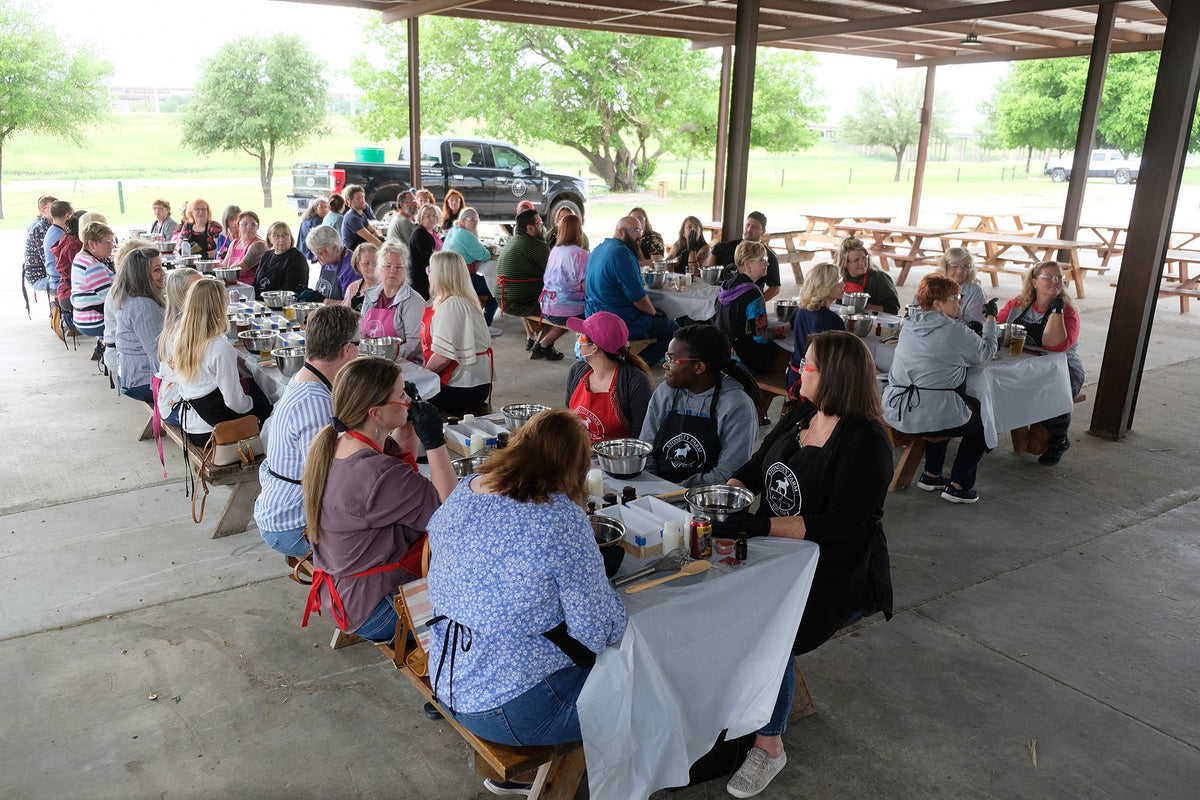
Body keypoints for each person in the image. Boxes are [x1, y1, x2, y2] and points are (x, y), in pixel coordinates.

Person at [721, 330, 894, 798]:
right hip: (778, 551)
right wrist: (727, 497)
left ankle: (769, 743)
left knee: (769, 631)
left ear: (834, 375)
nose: (797, 368)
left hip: (831, 571)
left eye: (808, 364)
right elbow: (758, 465)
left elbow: (843, 526)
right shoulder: (803, 410)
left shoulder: (866, 441)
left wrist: (759, 528)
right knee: (713, 604)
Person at [425, 408, 626, 762]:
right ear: (575, 466)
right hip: (512, 710)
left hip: (448, 680)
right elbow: (595, 630)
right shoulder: (561, 519)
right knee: (650, 688)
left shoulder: (466, 488)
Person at [301, 357, 456, 642]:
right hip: (377, 609)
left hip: (343, 595)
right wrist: (435, 442)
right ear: (375, 413)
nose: (408, 400)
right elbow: (450, 512)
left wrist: (406, 423)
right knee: (480, 606)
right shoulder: (378, 476)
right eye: (401, 395)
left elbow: (400, 466)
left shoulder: (337, 442)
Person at [254, 305, 362, 559]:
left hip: (280, 508)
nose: (360, 351)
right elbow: (327, 477)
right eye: (358, 344)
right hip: (292, 524)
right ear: (346, 350)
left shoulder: (304, 378)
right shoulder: (315, 401)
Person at [883, 273, 998, 504]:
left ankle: (932, 475)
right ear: (937, 305)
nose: (961, 302)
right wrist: (991, 321)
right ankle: (959, 485)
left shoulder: (909, 325)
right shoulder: (955, 331)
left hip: (896, 407)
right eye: (955, 298)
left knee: (954, 403)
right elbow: (986, 353)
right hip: (929, 412)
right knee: (985, 419)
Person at [641, 325, 761, 486]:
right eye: (666, 357)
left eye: (672, 359)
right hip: (656, 490)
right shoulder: (666, 392)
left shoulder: (736, 405)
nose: (665, 365)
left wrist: (675, 493)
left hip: (706, 501)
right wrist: (654, 487)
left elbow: (728, 473)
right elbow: (645, 450)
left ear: (699, 367)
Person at [997, 261, 1084, 466]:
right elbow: (999, 328)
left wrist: (1056, 313)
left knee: (1052, 390)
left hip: (1063, 368)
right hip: (1023, 365)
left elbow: (1055, 346)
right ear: (1034, 282)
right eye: (1049, 277)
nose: (1055, 281)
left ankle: (1059, 440)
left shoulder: (1068, 312)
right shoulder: (1018, 304)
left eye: (1059, 277)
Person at [174, 279, 273, 448]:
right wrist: (253, 404)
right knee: (272, 410)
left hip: (191, 425)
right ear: (218, 308)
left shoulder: (183, 337)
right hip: (214, 432)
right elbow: (235, 402)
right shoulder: (219, 347)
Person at [584, 215, 678, 366]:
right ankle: (635, 366)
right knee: (674, 330)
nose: (639, 236)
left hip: (593, 315)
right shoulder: (622, 253)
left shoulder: (599, 248)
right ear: (621, 231)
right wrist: (655, 313)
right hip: (618, 319)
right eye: (635, 231)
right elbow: (638, 298)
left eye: (640, 231)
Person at [564, 312, 654, 443]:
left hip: (615, 458)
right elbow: (568, 418)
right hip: (579, 452)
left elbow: (640, 435)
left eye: (580, 337)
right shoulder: (577, 370)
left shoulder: (635, 381)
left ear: (594, 347)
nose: (577, 341)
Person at [423, 251, 494, 414]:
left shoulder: (452, 305)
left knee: (403, 399)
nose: (428, 275)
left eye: (430, 270)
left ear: (442, 275)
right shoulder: (460, 300)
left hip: (463, 387)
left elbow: (443, 359)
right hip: (472, 384)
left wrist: (421, 378)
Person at [714, 240, 790, 375]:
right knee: (783, 352)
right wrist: (785, 328)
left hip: (721, 354)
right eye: (762, 260)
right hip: (745, 360)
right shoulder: (754, 296)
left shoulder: (725, 286)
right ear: (748, 264)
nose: (767, 263)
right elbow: (761, 336)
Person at [111, 243, 166, 402]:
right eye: (156, 270)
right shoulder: (143, 306)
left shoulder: (134, 297)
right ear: (141, 276)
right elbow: (158, 352)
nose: (163, 273)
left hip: (132, 377)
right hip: (141, 383)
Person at [786, 261, 846, 394]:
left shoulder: (802, 310)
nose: (843, 284)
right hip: (817, 387)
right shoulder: (832, 320)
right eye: (838, 281)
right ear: (825, 287)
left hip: (795, 377)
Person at [360, 241, 425, 363]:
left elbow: (415, 344)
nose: (393, 271)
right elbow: (361, 333)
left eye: (398, 267)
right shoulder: (370, 296)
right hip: (372, 361)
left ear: (405, 270)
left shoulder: (413, 301)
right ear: (379, 268)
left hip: (403, 365)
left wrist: (382, 356)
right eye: (388, 266)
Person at [497, 208, 551, 350]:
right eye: (539, 223)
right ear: (530, 227)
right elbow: (556, 273)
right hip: (519, 302)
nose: (542, 226)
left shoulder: (514, 241)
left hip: (504, 299)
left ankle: (535, 340)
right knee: (566, 310)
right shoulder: (535, 245)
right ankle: (544, 346)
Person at [154, 268, 202, 427]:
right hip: (177, 406)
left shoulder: (180, 321)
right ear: (183, 295)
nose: (205, 290)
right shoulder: (186, 329)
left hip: (169, 401)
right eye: (198, 287)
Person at [538, 213, 589, 359]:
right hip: (565, 310)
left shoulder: (555, 250)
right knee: (596, 312)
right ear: (579, 231)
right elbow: (586, 287)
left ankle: (543, 345)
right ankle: (584, 352)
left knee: (568, 312)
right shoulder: (581, 255)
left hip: (547, 306)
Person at [443, 206, 499, 332]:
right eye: (472, 219)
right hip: (461, 280)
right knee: (496, 288)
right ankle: (486, 325)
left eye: (477, 219)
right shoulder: (466, 235)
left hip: (446, 277)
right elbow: (484, 256)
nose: (475, 222)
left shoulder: (454, 230)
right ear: (463, 221)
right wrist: (488, 250)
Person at [705, 211, 781, 301]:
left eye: (754, 227)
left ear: (763, 231)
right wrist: (713, 253)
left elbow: (775, 288)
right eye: (747, 225)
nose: (749, 230)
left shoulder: (769, 257)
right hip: (722, 298)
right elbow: (708, 271)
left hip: (749, 298)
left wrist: (756, 304)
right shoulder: (724, 248)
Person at [70, 221, 117, 339]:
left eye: (112, 242)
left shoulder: (80, 257)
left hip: (82, 317)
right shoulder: (92, 265)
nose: (112, 246)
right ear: (91, 244)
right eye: (107, 242)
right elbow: (112, 299)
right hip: (95, 321)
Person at [839, 236, 900, 314]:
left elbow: (892, 309)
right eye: (856, 260)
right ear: (845, 263)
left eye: (864, 258)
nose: (862, 263)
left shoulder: (879, 278)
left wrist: (862, 305)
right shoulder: (841, 278)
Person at [255, 221, 309, 299]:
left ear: (290, 237)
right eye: (276, 236)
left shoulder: (296, 258)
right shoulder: (267, 255)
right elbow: (257, 281)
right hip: (261, 300)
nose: (281, 239)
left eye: (285, 235)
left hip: (282, 303)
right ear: (269, 238)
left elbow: (291, 289)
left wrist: (263, 298)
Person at [937, 248, 986, 331]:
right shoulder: (934, 285)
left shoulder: (975, 291)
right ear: (945, 267)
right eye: (954, 266)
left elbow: (974, 323)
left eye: (965, 266)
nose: (960, 271)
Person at [306, 224, 356, 302]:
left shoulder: (351, 268)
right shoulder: (327, 261)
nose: (317, 257)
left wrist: (325, 301)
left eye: (320, 253)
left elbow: (351, 304)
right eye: (314, 253)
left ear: (335, 248)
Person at [52, 210, 87, 313]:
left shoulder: (66, 238)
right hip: (71, 293)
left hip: (66, 290)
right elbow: (83, 271)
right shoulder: (74, 245)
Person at [407, 203, 442, 301]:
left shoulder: (431, 231)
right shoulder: (420, 234)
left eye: (435, 215)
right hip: (422, 280)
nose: (432, 218)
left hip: (431, 276)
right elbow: (430, 258)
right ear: (421, 217)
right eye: (428, 216)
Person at [23, 195, 56, 297]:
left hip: (47, 273)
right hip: (39, 276)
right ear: (45, 209)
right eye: (55, 208)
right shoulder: (39, 228)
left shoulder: (50, 225)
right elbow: (48, 259)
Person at [222, 211, 266, 285]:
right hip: (231, 283)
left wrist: (221, 272)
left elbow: (243, 267)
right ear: (238, 226)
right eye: (244, 224)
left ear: (257, 227)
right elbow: (224, 265)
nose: (249, 227)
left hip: (248, 287)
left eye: (253, 224)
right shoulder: (234, 243)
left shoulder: (259, 245)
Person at [42, 199, 73, 299]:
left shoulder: (52, 231)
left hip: (54, 280)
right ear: (67, 216)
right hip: (60, 284)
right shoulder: (62, 237)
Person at [341, 184, 382, 251]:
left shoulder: (361, 214)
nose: (362, 200)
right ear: (350, 201)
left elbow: (372, 231)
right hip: (353, 254)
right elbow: (370, 238)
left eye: (362, 197)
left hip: (362, 248)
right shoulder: (352, 217)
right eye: (358, 198)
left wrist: (382, 239)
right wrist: (385, 249)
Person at [341, 243, 380, 312]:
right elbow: (345, 316)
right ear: (358, 265)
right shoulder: (353, 288)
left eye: (375, 262)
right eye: (366, 263)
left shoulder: (388, 286)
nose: (372, 267)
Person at [297, 198, 329, 263]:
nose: (324, 209)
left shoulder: (307, 219)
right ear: (315, 209)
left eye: (326, 207)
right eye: (321, 207)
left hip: (303, 252)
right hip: (311, 255)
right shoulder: (317, 222)